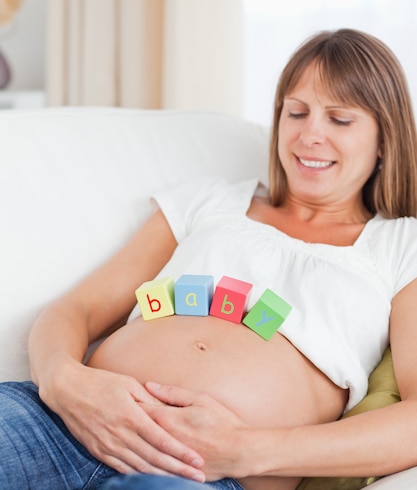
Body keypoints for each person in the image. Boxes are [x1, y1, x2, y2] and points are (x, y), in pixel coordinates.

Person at [1, 28, 417, 490]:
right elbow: (74, 310)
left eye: (340, 119)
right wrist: (64, 382)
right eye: (296, 112)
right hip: (63, 423)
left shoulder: (401, 245)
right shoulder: (211, 203)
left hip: (203, 472)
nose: (310, 135)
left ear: (384, 138)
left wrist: (248, 450)